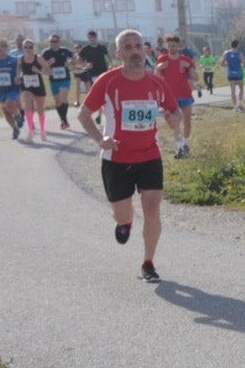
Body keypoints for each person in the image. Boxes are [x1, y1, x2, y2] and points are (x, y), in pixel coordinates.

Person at [77, 29, 181, 283]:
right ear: (119, 53)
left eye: (138, 46)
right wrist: (101, 140)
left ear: (145, 50)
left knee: (153, 207)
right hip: (117, 159)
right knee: (123, 215)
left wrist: (173, 120)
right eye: (128, 47)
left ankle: (148, 263)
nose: (135, 50)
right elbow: (84, 114)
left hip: (149, 155)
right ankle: (125, 223)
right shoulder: (108, 80)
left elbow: (175, 111)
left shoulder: (157, 82)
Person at [156, 34, 199, 157]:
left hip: (185, 94)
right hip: (171, 96)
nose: (171, 48)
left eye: (173, 46)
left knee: (187, 122)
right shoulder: (162, 60)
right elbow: (155, 79)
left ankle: (185, 143)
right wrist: (158, 69)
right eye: (169, 46)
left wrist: (190, 67)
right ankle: (179, 147)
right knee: (175, 122)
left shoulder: (185, 59)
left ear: (178, 46)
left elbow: (196, 78)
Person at [0, 38, 24, 139]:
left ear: (6, 48)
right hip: (1, 90)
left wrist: (19, 77)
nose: (0, 48)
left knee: (9, 104)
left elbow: (21, 71)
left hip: (12, 89)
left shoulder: (13, 60)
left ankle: (18, 116)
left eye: (2, 46)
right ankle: (15, 128)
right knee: (6, 113)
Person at [15, 39, 51, 139]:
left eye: (30, 47)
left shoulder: (38, 58)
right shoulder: (20, 58)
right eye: (25, 47)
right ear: (22, 48)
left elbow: (49, 71)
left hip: (38, 85)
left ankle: (43, 130)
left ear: (33, 48)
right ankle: (30, 130)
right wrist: (18, 76)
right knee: (27, 106)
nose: (28, 49)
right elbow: (19, 69)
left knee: (40, 109)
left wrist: (39, 71)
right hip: (26, 85)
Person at [41, 34, 74, 130]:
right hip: (53, 80)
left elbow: (75, 57)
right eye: (51, 41)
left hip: (65, 79)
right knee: (58, 102)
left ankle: (64, 121)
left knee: (63, 99)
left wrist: (70, 63)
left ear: (58, 42)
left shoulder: (64, 51)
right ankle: (63, 120)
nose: (52, 43)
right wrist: (48, 63)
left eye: (54, 41)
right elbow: (42, 67)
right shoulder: (46, 53)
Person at [76, 30, 112, 105]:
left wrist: (110, 65)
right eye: (90, 37)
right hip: (92, 73)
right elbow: (78, 60)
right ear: (88, 39)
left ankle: (103, 103)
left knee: (104, 89)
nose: (92, 39)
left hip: (103, 72)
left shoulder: (102, 47)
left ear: (96, 38)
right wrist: (85, 65)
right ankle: (95, 105)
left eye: (93, 37)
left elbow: (109, 56)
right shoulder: (85, 49)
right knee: (94, 90)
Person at [222, 39, 245, 110]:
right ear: (237, 45)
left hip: (230, 74)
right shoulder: (240, 53)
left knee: (233, 91)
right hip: (238, 74)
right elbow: (244, 64)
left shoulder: (226, 53)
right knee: (241, 89)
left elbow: (222, 64)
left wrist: (229, 64)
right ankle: (240, 103)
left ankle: (235, 106)